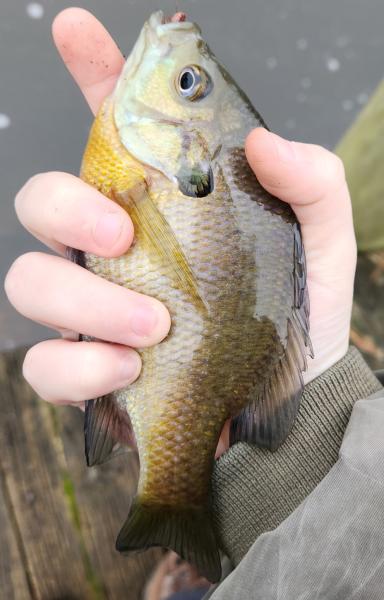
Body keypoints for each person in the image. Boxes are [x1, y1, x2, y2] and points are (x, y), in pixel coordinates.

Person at [4, 8, 384, 599]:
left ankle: (198, 548)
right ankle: (218, 554)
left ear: (194, 151)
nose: (180, 65)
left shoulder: (134, 159)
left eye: (188, 84)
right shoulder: (152, 160)